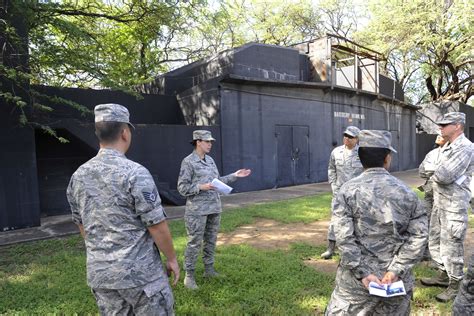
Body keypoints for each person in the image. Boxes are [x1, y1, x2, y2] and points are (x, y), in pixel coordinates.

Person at [67, 103, 179, 315]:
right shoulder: (135, 173)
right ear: (125, 133)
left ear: (98, 133)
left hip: (101, 276)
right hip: (141, 277)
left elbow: (82, 225)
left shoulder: (78, 176)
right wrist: (172, 259)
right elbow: (156, 225)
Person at [325, 130, 428, 315]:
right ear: (387, 158)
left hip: (354, 287)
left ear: (359, 157)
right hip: (394, 283)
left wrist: (363, 272)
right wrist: (396, 270)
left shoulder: (346, 191)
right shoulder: (408, 194)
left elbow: (343, 237)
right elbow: (419, 237)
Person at [177, 130, 251, 290]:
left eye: (211, 142)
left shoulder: (210, 160)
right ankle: (189, 276)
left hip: (214, 207)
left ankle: (209, 270)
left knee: (211, 241)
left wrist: (235, 175)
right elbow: (182, 188)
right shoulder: (188, 162)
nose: (210, 144)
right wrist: (201, 187)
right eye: (207, 141)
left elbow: (217, 182)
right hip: (197, 210)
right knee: (194, 243)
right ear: (198, 142)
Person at [420, 112, 474, 302]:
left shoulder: (465, 148)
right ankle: (443, 276)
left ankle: (455, 285)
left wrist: (434, 171)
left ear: (458, 125)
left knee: (452, 246)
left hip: (454, 206)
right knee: (435, 242)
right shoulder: (447, 147)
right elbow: (425, 169)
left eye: (444, 125)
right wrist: (436, 171)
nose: (440, 128)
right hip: (439, 202)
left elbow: (444, 176)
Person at [321, 126, 364, 259]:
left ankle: (359, 247)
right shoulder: (336, 152)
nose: (347, 138)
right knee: (335, 219)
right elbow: (331, 169)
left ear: (357, 139)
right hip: (339, 193)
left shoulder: (363, 153)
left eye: (350, 136)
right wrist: (333, 185)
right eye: (345, 135)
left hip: (357, 194)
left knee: (359, 220)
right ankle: (331, 247)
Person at [418, 132, 448, 259]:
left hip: (445, 195)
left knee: (442, 224)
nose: (438, 137)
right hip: (430, 193)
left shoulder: (453, 154)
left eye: (441, 135)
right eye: (437, 136)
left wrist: (434, 172)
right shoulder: (432, 154)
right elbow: (421, 171)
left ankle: (440, 254)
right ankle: (425, 252)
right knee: (426, 220)